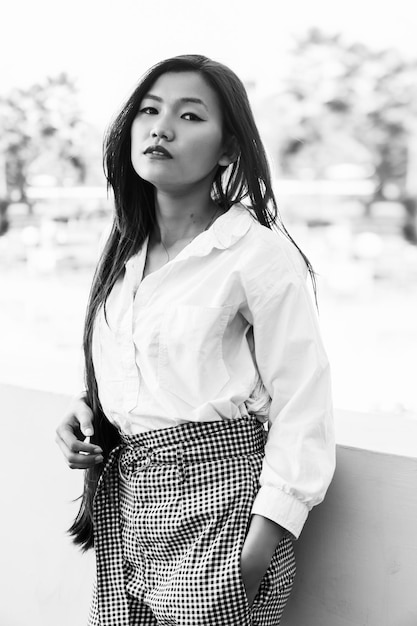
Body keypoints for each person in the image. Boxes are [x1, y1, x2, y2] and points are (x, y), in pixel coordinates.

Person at [56, 54, 335, 626]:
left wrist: (256, 551)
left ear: (229, 148)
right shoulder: (123, 257)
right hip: (130, 508)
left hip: (222, 513)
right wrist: (86, 415)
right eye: (150, 110)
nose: (161, 127)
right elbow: (152, 373)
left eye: (189, 115)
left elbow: (304, 402)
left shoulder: (257, 255)